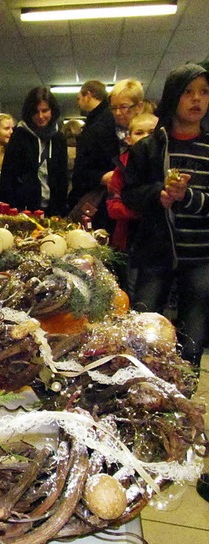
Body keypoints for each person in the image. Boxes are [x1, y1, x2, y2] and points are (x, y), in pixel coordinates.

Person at [123, 63, 209, 367]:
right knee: (142, 330)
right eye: (188, 92)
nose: (197, 99)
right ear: (174, 97)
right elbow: (129, 194)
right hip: (155, 252)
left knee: (193, 337)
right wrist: (158, 194)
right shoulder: (149, 147)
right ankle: (137, 391)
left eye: (203, 92)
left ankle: (183, 398)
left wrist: (188, 197)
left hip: (200, 256)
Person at [106, 112, 158, 297]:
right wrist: (143, 209)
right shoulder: (121, 168)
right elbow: (113, 207)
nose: (145, 137)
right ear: (128, 138)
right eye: (139, 132)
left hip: (164, 243)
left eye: (151, 132)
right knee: (135, 293)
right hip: (130, 242)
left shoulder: (167, 162)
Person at [0, 87, 68, 216]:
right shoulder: (19, 136)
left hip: (52, 211)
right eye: (35, 111)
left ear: (52, 111)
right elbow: (8, 176)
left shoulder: (59, 139)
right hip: (22, 210)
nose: (40, 116)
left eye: (45, 110)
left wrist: (61, 212)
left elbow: (62, 179)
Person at [68, 81, 119, 230]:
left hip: (96, 195)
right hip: (98, 192)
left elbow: (95, 161)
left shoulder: (100, 124)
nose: (78, 103)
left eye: (79, 98)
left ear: (88, 95)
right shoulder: (101, 120)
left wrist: (99, 177)